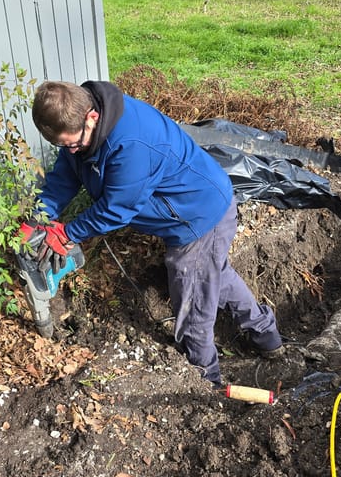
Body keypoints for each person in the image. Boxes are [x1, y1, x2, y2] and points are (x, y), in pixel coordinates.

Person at [24, 79, 288, 388]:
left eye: (72, 143)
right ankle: (267, 338)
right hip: (189, 209)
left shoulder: (131, 143)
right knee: (217, 276)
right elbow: (66, 175)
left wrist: (68, 233)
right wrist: (39, 216)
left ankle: (205, 381)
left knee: (192, 304)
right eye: (63, 146)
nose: (69, 150)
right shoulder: (82, 125)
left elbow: (117, 208)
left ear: (91, 117)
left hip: (199, 215)